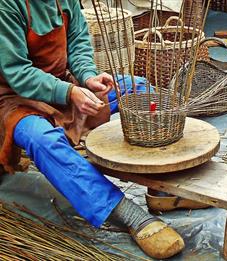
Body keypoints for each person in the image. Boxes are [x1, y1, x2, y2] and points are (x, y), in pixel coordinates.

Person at [0, 0, 184, 259]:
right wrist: (70, 92)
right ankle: (129, 215)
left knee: (139, 90)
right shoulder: (8, 5)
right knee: (43, 140)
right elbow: (17, 72)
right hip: (15, 98)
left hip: (65, 86)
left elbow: (78, 43)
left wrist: (87, 77)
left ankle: (164, 189)